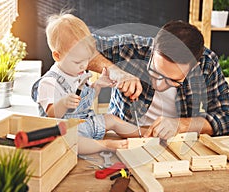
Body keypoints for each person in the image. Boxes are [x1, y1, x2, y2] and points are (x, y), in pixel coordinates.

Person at [91, 20, 229, 140]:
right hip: (122, 139)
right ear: (153, 48)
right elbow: (73, 43)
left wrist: (181, 125)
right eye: (155, 72)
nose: (159, 85)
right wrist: (115, 71)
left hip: (176, 143)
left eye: (173, 80)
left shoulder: (207, 64)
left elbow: (226, 118)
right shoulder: (132, 49)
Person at [32, 13, 145, 154]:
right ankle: (105, 145)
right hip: (64, 131)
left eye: (86, 60)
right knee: (70, 141)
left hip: (85, 123)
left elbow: (87, 99)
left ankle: (145, 134)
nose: (83, 66)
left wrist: (97, 85)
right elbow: (52, 114)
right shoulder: (49, 83)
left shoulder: (78, 73)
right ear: (57, 56)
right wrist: (63, 103)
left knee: (112, 119)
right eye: (78, 62)